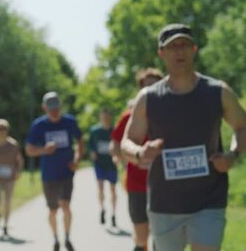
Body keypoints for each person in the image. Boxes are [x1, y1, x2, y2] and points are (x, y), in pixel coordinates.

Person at [122, 23, 246, 251]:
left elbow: (242, 126)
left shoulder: (218, 92)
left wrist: (233, 154)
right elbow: (126, 142)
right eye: (172, 46)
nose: (179, 51)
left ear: (194, 49)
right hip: (164, 204)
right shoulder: (149, 98)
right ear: (162, 53)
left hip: (209, 201)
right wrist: (140, 153)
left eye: (185, 45)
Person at [110, 67, 163, 251]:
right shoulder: (129, 116)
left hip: (164, 184)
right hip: (137, 183)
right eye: (147, 85)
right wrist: (124, 159)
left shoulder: (170, 115)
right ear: (140, 89)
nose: (151, 89)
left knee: (161, 235)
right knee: (141, 236)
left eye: (155, 85)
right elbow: (116, 143)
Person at [25, 91, 84, 251]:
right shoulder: (39, 125)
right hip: (49, 174)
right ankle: (56, 239)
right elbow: (29, 150)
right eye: (51, 108)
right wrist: (44, 150)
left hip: (66, 172)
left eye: (56, 107)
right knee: (53, 210)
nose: (54, 111)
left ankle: (67, 237)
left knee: (65, 205)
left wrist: (77, 159)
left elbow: (80, 139)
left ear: (60, 106)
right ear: (44, 108)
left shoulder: (69, 122)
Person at [0, 118, 24, 237]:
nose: (1, 131)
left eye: (4, 128)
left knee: (7, 201)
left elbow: (19, 160)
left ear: (7, 130)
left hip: (9, 178)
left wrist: (18, 171)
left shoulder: (13, 144)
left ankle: (5, 226)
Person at [88, 108, 118, 228]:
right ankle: (102, 209)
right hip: (99, 164)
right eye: (103, 117)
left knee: (113, 190)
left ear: (110, 118)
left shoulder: (115, 131)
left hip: (111, 164)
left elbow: (119, 145)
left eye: (107, 117)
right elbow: (90, 145)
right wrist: (92, 153)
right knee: (100, 188)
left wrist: (117, 155)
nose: (105, 119)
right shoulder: (95, 131)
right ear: (100, 118)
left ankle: (114, 214)